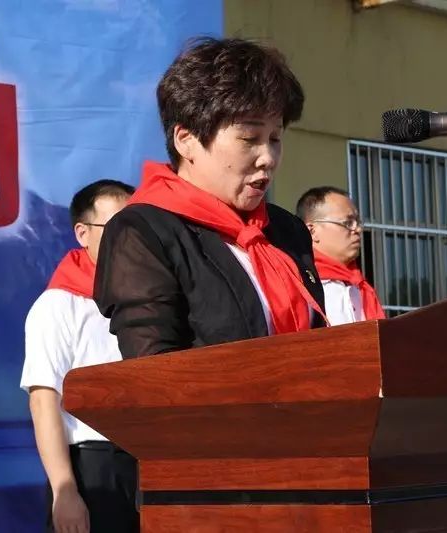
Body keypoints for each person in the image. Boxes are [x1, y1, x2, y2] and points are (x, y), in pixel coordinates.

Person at [95, 37, 326, 359]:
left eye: (275, 138)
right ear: (186, 140)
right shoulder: (142, 231)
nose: (268, 158)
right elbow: (152, 369)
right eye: (249, 138)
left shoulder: (287, 230)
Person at [20, 180, 138, 533]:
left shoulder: (149, 301)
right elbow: (44, 401)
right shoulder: (57, 305)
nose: (129, 238)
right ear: (83, 233)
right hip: (94, 468)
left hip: (148, 463)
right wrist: (65, 490)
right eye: (115, 227)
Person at [296, 186, 386, 325]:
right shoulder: (300, 286)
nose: (358, 229)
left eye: (358, 222)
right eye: (348, 223)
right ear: (312, 231)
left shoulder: (359, 286)